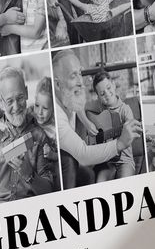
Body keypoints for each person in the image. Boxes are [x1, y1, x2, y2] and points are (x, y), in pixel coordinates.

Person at [52, 50, 141, 188]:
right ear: (58, 85)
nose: (81, 82)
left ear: (113, 84)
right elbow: (83, 154)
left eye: (80, 73)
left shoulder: (67, 96)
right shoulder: (58, 116)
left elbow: (78, 103)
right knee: (71, 163)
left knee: (93, 177)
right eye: (73, 75)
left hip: (123, 160)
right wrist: (120, 143)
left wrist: (87, 123)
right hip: (64, 160)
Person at [0, 67, 58, 204]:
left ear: (27, 93)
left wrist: (30, 175)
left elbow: (49, 190)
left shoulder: (38, 135)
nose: (16, 107)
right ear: (1, 100)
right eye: (10, 101)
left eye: (20, 98)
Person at [90, 71, 136, 182]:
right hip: (107, 162)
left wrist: (127, 134)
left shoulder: (125, 109)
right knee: (99, 183)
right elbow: (83, 109)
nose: (107, 93)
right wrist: (89, 124)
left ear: (114, 85)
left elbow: (132, 133)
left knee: (124, 183)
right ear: (99, 97)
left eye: (108, 87)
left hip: (125, 161)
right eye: (102, 93)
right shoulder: (99, 109)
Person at [30, 76, 60, 181]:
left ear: (53, 108)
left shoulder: (55, 129)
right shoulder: (30, 115)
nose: (39, 112)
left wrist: (52, 154)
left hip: (48, 167)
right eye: (37, 105)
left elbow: (62, 155)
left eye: (45, 108)